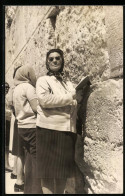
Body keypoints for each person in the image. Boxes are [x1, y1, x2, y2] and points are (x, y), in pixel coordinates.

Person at [36, 48, 83, 194]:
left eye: (57, 58)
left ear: (62, 61)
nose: (54, 61)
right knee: (48, 172)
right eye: (51, 59)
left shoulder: (68, 83)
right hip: (48, 130)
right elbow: (45, 100)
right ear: (47, 62)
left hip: (67, 131)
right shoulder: (43, 80)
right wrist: (71, 97)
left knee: (63, 172)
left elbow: (72, 102)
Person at [13, 65, 42, 193]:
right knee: (36, 159)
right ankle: (36, 190)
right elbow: (36, 108)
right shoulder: (28, 87)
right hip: (32, 127)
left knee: (28, 159)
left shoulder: (16, 89)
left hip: (21, 127)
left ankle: (29, 189)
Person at [5, 82, 13, 172]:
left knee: (6, 145)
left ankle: (6, 164)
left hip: (7, 122)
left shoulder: (7, 98)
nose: (6, 89)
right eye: (5, 87)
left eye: (8, 87)